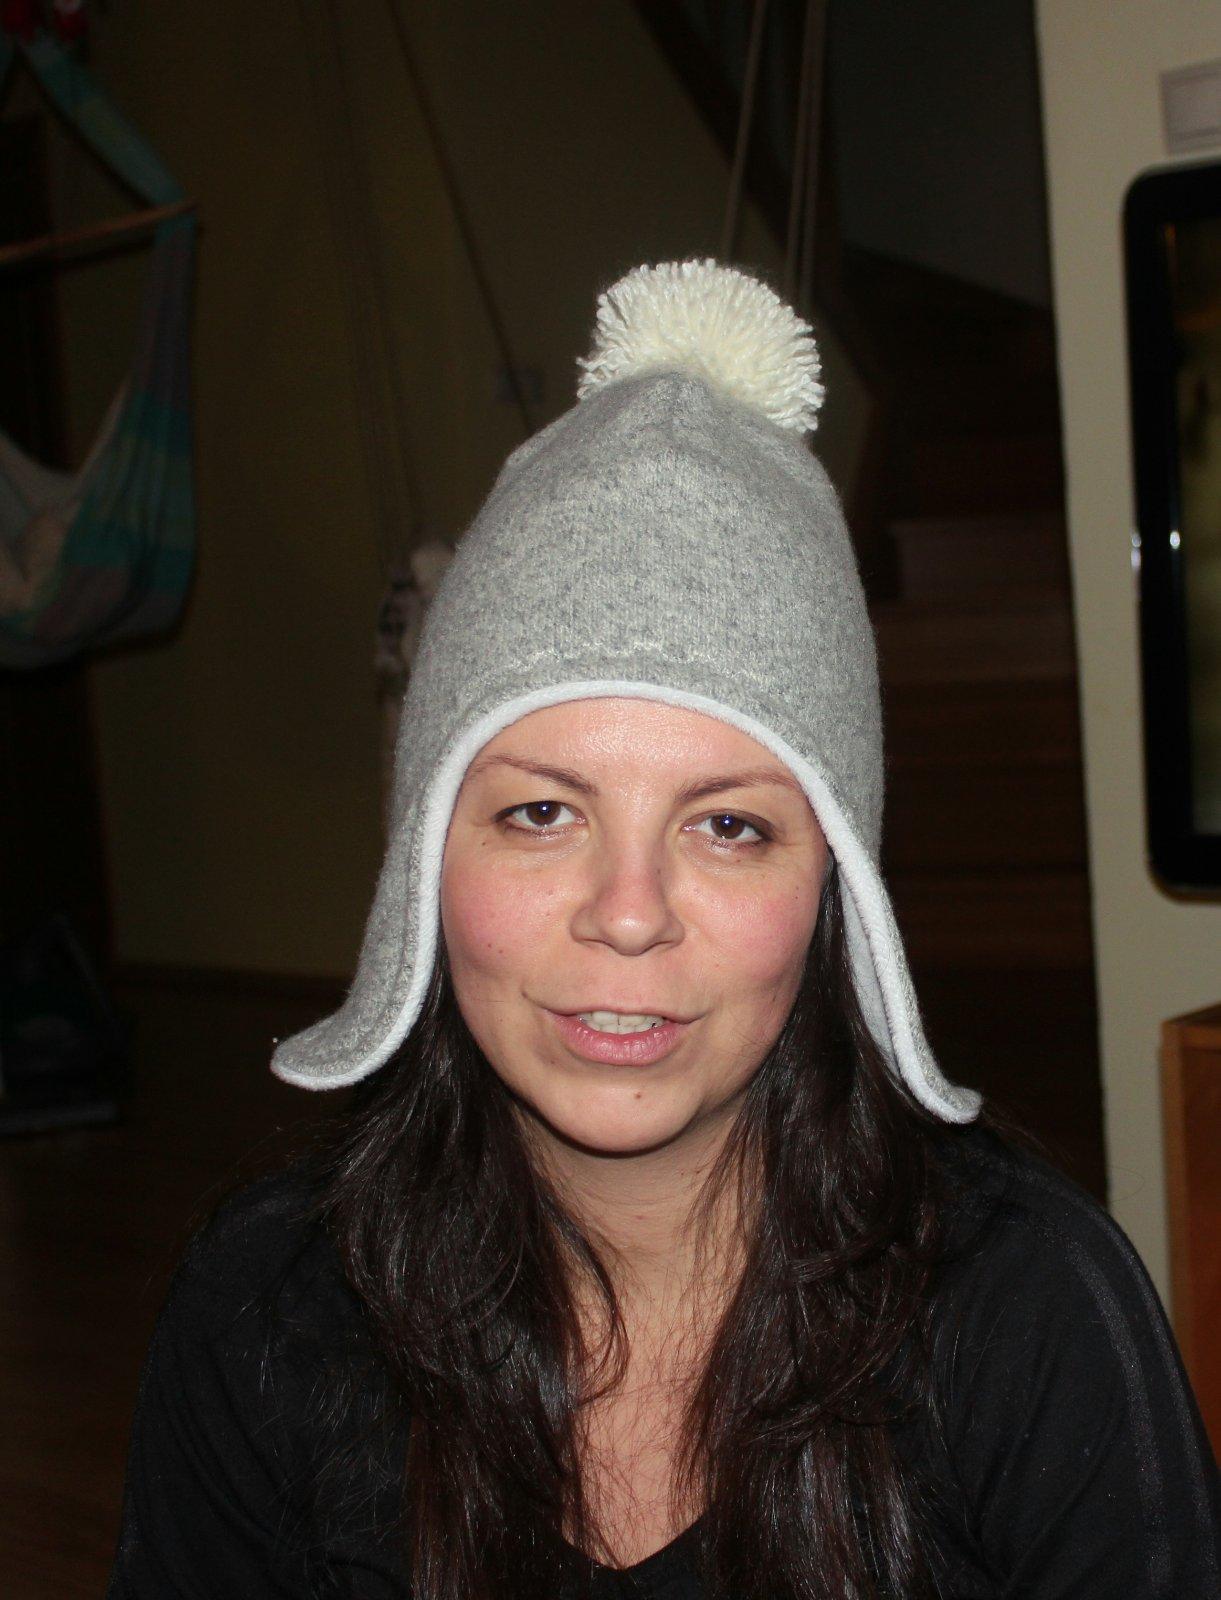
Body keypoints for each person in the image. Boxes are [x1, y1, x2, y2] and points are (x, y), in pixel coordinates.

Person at [106, 260, 1219, 1599]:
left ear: (838, 887)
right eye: (540, 813)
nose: (627, 915)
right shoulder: (264, 1307)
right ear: (421, 855)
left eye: (728, 825)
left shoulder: (1036, 1318)